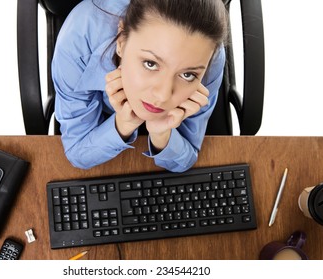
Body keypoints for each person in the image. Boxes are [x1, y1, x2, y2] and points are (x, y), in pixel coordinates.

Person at [52, 0, 228, 172]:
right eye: (150, 63)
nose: (163, 96)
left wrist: (161, 133)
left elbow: (185, 159)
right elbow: (77, 152)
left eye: (187, 75)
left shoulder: (206, 55)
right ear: (121, 42)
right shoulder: (79, 39)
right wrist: (124, 123)